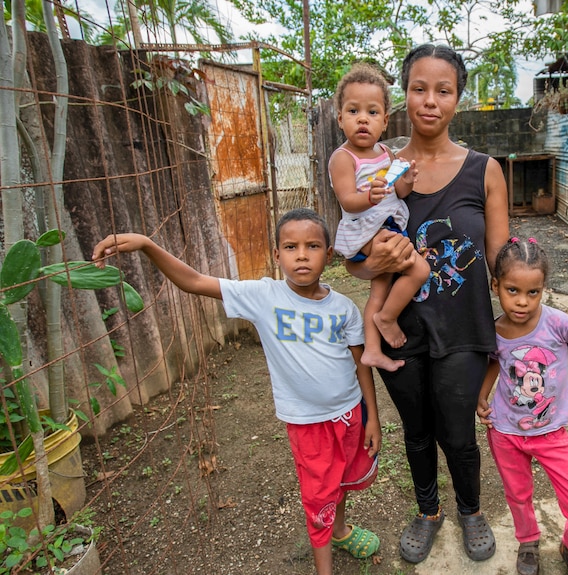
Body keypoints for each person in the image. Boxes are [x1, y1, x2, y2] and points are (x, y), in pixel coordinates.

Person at [92, 208, 381, 575]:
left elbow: (361, 365)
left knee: (340, 480)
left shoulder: (343, 308)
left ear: (329, 253)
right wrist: (148, 245)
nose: (302, 255)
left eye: (313, 246)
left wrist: (373, 416)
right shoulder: (263, 296)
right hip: (308, 425)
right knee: (317, 495)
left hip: (350, 414)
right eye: (291, 247)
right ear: (277, 255)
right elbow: (194, 281)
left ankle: (340, 530)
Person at [345, 44, 509, 564]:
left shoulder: (485, 171)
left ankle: (470, 508)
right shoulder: (380, 169)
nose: (430, 101)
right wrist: (372, 265)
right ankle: (428, 511)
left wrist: (528, 318)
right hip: (401, 330)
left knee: (457, 432)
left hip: (464, 327)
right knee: (416, 432)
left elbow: (504, 262)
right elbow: (351, 255)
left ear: (458, 99)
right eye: (419, 89)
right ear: (404, 97)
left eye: (444, 91)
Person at [477, 237, 568, 575]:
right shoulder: (494, 330)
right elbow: (492, 364)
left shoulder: (560, 324)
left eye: (533, 292)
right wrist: (481, 396)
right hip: (506, 432)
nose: (522, 302)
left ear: (543, 289)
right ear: (496, 285)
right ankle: (528, 540)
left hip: (552, 433)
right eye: (512, 290)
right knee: (518, 494)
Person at [329, 62, 428, 373]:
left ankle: (371, 349)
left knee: (380, 286)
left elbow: (399, 189)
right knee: (420, 269)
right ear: (340, 118)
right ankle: (387, 318)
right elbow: (347, 200)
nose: (362, 119)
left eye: (372, 112)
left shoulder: (387, 153)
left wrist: (408, 178)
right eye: (353, 111)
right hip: (367, 229)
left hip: (386, 224)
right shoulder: (342, 158)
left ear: (385, 121)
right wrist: (366, 197)